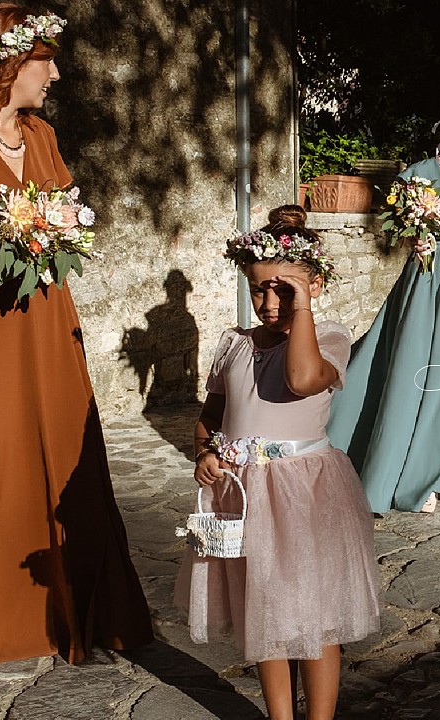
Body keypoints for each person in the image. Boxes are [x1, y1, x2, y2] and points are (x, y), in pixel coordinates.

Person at [0, 3, 152, 682]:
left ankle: (69, 612)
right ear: (8, 64)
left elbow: (65, 217)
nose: (55, 73)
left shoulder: (42, 134)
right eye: (45, 60)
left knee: (62, 451)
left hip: (46, 320)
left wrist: (50, 239)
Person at [177, 206, 382, 720]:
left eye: (282, 289)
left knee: (313, 614)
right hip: (244, 496)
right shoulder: (235, 345)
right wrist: (205, 452)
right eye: (259, 289)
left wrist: (303, 307)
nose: (269, 302)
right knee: (261, 610)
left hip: (305, 494)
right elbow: (212, 417)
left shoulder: (329, 337)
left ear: (313, 286)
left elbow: (301, 381)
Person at [327, 97, 440, 513]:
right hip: (431, 286)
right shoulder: (419, 177)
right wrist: (417, 238)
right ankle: (419, 477)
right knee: (426, 379)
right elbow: (398, 235)